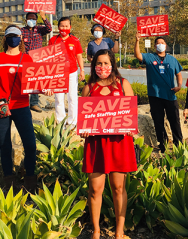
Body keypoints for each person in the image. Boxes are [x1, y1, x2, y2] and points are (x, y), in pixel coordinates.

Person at [0, 25, 52, 192]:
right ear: (5, 38)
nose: (13, 38)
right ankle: (10, 184)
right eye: (10, 35)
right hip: (1, 108)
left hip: (21, 107)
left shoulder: (27, 59)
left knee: (30, 145)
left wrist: (45, 88)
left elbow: (34, 83)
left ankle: (30, 181)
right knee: (5, 146)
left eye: (16, 35)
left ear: (21, 39)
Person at [81, 49, 137, 239]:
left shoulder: (123, 84)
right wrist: (84, 129)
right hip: (96, 143)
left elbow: (131, 112)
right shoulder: (89, 88)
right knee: (95, 188)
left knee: (118, 187)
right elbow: (84, 118)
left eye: (106, 63)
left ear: (112, 64)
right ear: (93, 65)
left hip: (119, 142)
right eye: (99, 63)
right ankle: (96, 231)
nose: (102, 67)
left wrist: (131, 126)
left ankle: (119, 232)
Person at [134, 33, 183, 153]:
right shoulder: (150, 57)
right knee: (158, 122)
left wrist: (179, 86)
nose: (160, 45)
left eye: (162, 43)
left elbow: (179, 74)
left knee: (175, 121)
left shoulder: (172, 59)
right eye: (158, 43)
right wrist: (137, 41)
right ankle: (163, 145)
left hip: (170, 95)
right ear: (155, 46)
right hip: (155, 95)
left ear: (166, 45)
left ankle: (179, 145)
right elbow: (138, 55)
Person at [48, 17, 85, 127]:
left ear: (70, 27)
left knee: (72, 98)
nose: (64, 28)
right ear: (58, 27)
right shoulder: (53, 40)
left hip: (72, 72)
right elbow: (49, 58)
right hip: (58, 73)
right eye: (62, 26)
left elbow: (79, 56)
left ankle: (73, 122)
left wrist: (82, 70)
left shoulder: (75, 40)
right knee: (59, 98)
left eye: (66, 26)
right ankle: (61, 122)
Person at [21, 11, 52, 112]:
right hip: (25, 59)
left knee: (35, 81)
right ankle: (23, 102)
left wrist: (44, 17)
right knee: (24, 81)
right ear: (26, 20)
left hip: (37, 59)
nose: (32, 21)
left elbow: (49, 29)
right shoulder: (21, 31)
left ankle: (34, 103)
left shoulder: (39, 29)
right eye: (30, 19)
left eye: (34, 19)